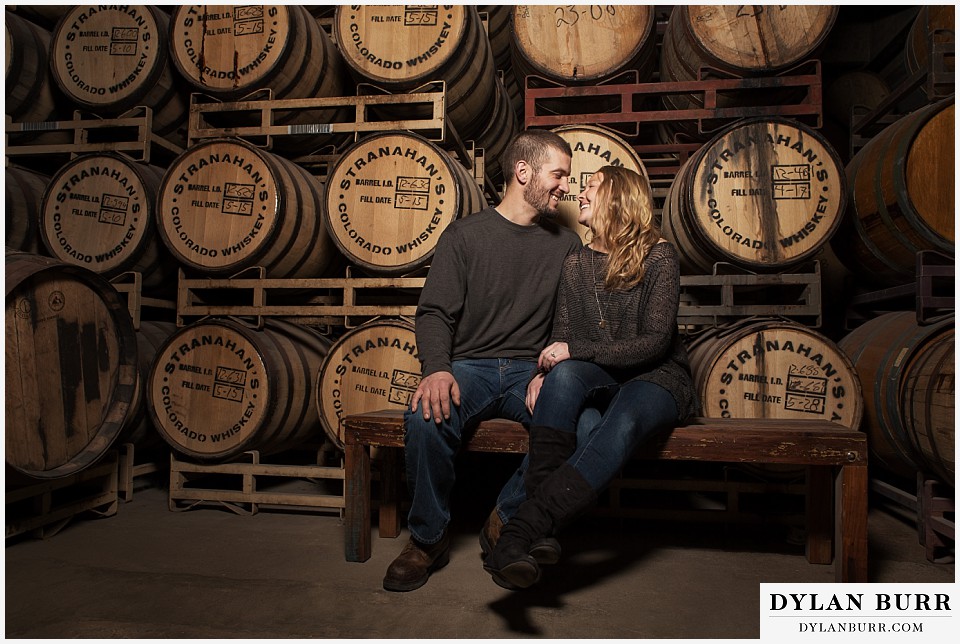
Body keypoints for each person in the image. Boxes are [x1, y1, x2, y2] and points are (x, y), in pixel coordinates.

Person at [382, 129, 582, 592]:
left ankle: (506, 519)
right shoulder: (465, 235)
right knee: (425, 418)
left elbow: (571, 322)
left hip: (528, 372)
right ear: (523, 171)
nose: (565, 187)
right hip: (467, 367)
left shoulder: (566, 245)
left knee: (572, 426)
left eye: (568, 179)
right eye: (558, 175)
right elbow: (434, 312)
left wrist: (550, 373)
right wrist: (436, 368)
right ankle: (428, 539)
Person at [481, 165, 699, 590]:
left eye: (591, 187)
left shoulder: (658, 255)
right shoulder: (577, 262)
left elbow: (654, 342)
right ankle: (538, 530)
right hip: (602, 370)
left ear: (618, 197)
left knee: (623, 422)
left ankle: (520, 531)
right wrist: (546, 371)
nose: (580, 195)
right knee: (562, 385)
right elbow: (562, 334)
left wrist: (573, 353)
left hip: (656, 376)